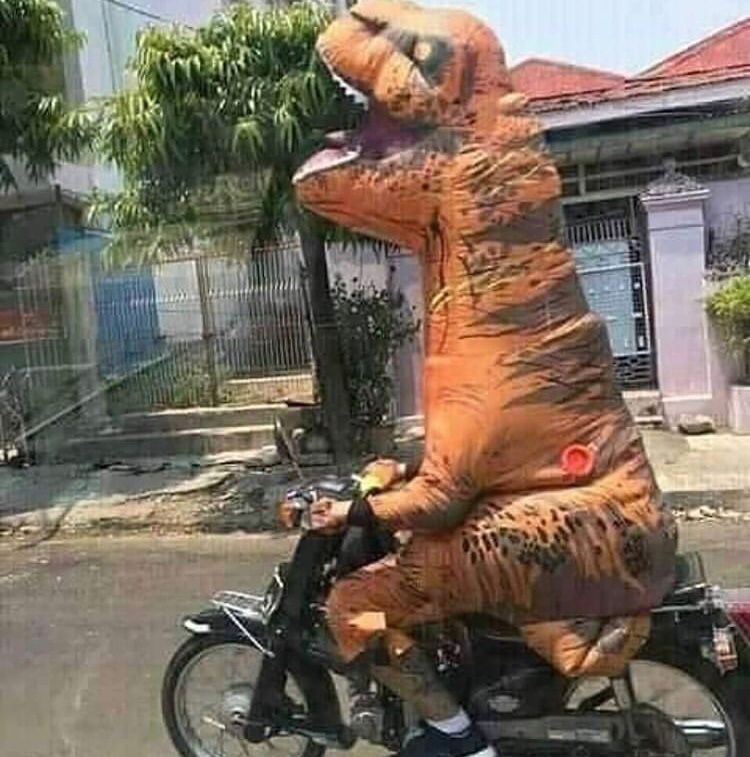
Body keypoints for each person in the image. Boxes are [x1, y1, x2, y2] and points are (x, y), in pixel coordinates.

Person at [292, 2, 678, 755]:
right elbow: (471, 461)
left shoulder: (502, 332)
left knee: (355, 602)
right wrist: (400, 475)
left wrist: (355, 509)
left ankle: (460, 739)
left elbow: (443, 495)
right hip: (590, 519)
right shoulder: (499, 305)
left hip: (590, 527)